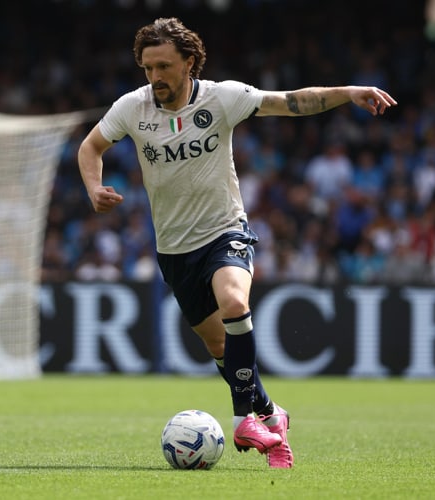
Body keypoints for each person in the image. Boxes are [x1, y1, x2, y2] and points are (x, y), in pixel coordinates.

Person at [78, 17, 397, 469]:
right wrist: (94, 189)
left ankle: (244, 417)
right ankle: (271, 413)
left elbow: (290, 102)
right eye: (147, 68)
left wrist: (347, 93)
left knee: (233, 301)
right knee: (219, 349)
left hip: (225, 231)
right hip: (174, 250)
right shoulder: (133, 108)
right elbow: (90, 148)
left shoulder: (222, 98)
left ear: (189, 63)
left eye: (164, 66)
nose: (154, 78)